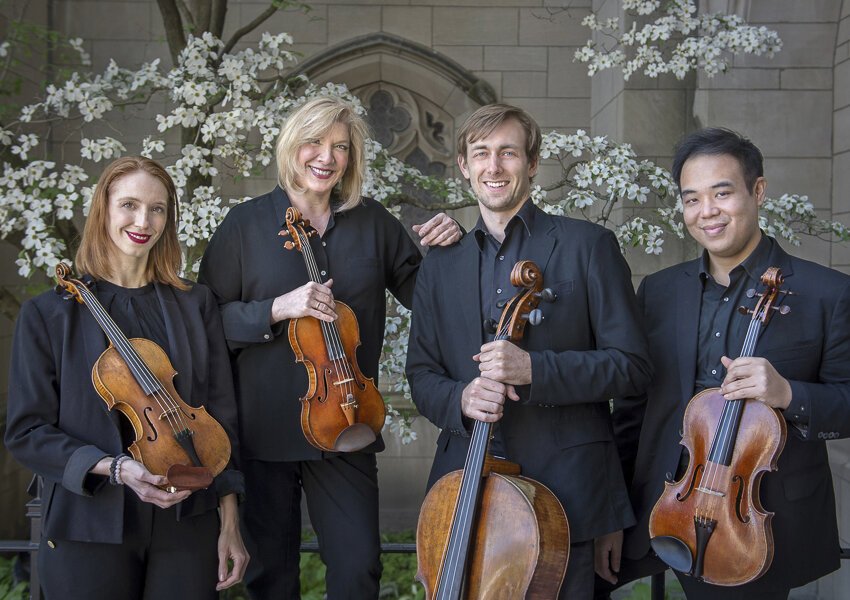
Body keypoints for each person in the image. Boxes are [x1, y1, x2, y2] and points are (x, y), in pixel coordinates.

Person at [198, 95, 461, 599]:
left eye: (340, 146)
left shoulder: (374, 223)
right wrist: (277, 307)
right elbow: (207, 323)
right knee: (271, 577)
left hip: (347, 423)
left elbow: (428, 296)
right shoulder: (245, 226)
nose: (326, 156)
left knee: (359, 568)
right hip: (264, 430)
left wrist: (453, 245)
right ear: (292, 146)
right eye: (315, 142)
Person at [404, 103, 653, 598]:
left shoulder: (588, 246)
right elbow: (422, 374)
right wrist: (460, 400)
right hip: (463, 491)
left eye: (508, 153)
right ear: (464, 165)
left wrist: (534, 369)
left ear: (532, 163)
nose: (493, 167)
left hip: (570, 494)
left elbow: (633, 368)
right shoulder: (441, 263)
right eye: (481, 154)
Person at [600, 128, 850, 599]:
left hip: (751, 524)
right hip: (659, 506)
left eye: (722, 193)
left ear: (757, 191)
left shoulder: (827, 295)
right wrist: (615, 515)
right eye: (691, 199)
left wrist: (789, 395)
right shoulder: (659, 290)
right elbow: (631, 410)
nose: (706, 212)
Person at [4, 156, 248, 599]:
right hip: (89, 522)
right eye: (129, 205)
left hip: (187, 522)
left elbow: (220, 420)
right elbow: (28, 432)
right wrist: (116, 468)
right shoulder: (48, 314)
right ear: (104, 209)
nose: (143, 221)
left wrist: (229, 522)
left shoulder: (197, 305)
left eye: (157, 209)